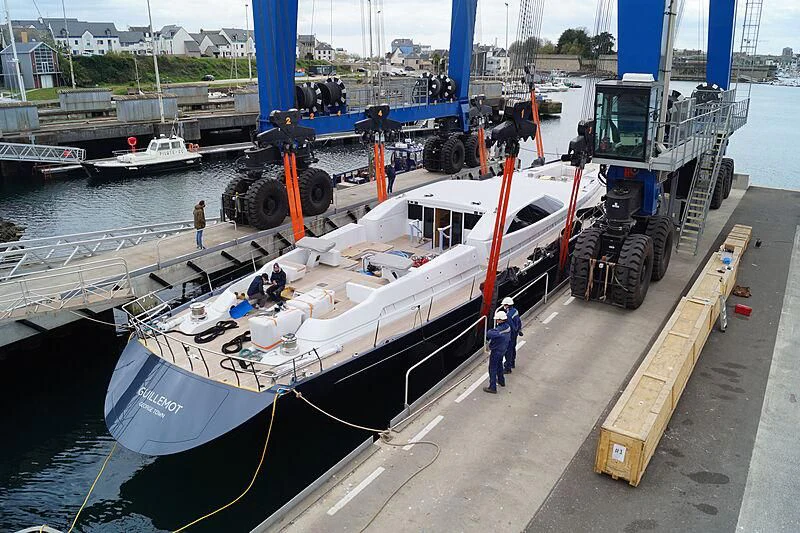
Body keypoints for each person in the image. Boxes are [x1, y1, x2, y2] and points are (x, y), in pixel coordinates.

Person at [483, 309, 512, 394]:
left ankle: (492, 387)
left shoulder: (499, 330)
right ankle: (501, 381)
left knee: (492, 368)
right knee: (499, 365)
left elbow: (489, 333)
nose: (496, 320)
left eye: (497, 319)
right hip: (503, 349)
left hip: (496, 351)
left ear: (500, 320)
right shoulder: (508, 327)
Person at [501, 296, 523, 373]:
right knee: (513, 349)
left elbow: (511, 327)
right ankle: (512, 363)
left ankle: (508, 367)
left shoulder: (508, 316)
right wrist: (519, 329)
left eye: (504, 305)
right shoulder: (515, 311)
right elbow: (519, 321)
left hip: (511, 336)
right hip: (515, 334)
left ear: (507, 305)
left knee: (508, 351)